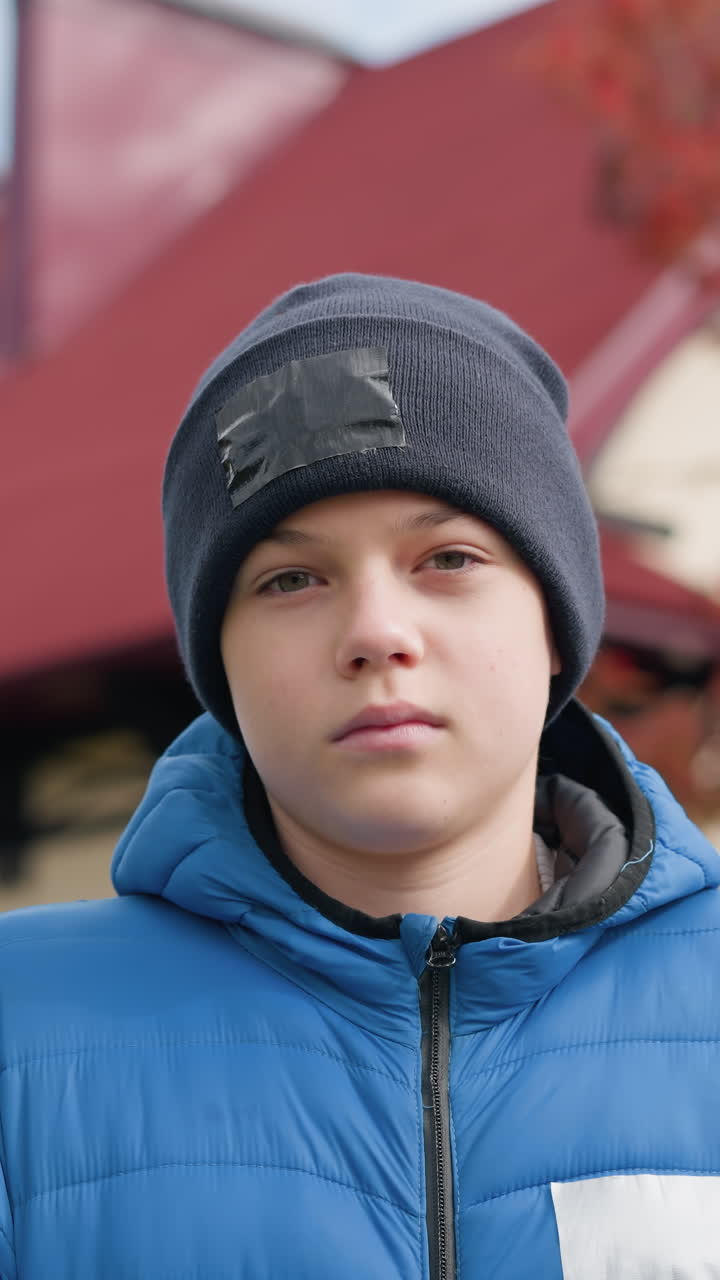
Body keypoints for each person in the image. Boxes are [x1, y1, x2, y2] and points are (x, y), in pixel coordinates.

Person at [1, 274, 719, 1280]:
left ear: (555, 622)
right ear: (220, 663)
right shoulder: (22, 1027)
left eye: (450, 557)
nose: (377, 630)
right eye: (291, 578)